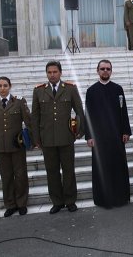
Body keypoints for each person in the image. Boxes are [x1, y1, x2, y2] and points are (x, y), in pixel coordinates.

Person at [31, 61, 85, 214]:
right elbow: (35, 117)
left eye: (55, 72)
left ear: (60, 73)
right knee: (52, 171)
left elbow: (79, 111)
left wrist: (79, 131)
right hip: (47, 138)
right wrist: (36, 138)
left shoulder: (70, 89)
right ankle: (57, 201)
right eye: (49, 72)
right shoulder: (39, 91)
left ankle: (70, 200)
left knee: (68, 170)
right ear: (46, 74)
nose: (52, 75)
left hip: (66, 137)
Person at [85, 60, 132, 208]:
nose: (105, 71)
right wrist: (89, 136)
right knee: (101, 169)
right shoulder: (91, 91)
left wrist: (126, 131)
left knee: (118, 167)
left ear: (111, 71)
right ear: (97, 71)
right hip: (99, 138)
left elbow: (123, 111)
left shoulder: (118, 89)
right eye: (102, 69)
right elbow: (88, 115)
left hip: (117, 136)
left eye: (108, 69)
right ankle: (103, 199)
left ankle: (120, 198)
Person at [0, 77, 32, 217]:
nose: (2, 88)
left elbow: (29, 122)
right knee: (6, 177)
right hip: (0, 146)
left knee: (20, 176)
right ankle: (10, 204)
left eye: (5, 85)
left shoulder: (19, 102)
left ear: (10, 86)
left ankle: (21, 203)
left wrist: (32, 141)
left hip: (17, 145)